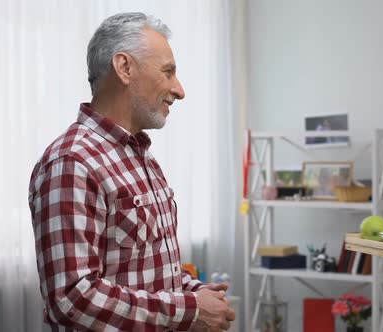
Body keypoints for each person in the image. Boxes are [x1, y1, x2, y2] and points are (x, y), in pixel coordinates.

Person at [28, 12, 235, 331]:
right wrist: (188, 310)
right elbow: (72, 298)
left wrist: (193, 292)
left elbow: (148, 271)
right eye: (168, 72)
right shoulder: (72, 162)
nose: (179, 90)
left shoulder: (143, 159)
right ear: (124, 67)